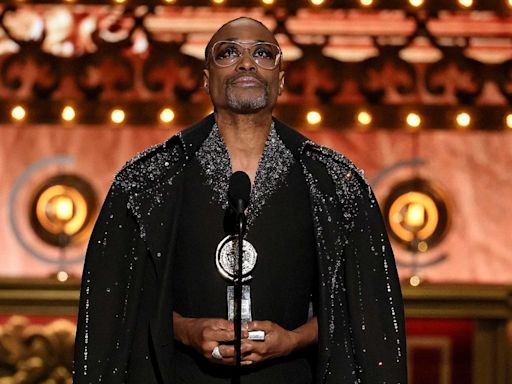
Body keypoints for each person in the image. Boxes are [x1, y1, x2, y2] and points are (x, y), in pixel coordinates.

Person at [73, 17, 407, 384]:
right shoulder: (147, 180)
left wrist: (294, 339)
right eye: (228, 52)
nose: (246, 62)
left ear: (280, 80)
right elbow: (115, 312)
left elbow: (365, 316)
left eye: (263, 53)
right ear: (205, 79)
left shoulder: (335, 182)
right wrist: (185, 330)